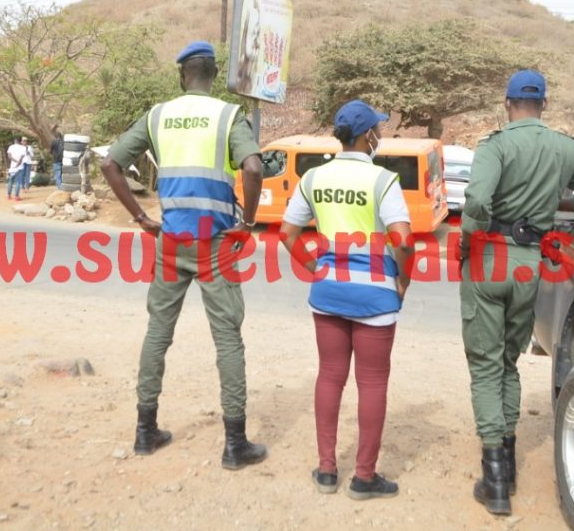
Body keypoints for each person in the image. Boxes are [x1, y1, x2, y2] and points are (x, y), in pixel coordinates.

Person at [100, 40, 268, 470]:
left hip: (172, 241)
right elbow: (252, 168)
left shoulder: (158, 115)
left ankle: (145, 432)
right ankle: (234, 444)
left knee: (158, 331)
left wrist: (140, 217)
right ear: (213, 75)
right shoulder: (229, 115)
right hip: (216, 242)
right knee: (227, 337)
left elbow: (110, 164)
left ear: (182, 75)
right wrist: (247, 223)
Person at [460, 69, 574, 516]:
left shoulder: (495, 145)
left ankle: (494, 479)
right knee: (509, 361)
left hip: (488, 258)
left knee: (486, 364)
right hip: (531, 264)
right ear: (543, 105)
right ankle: (507, 460)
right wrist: (562, 209)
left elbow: (476, 202)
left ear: (507, 105)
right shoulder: (565, 148)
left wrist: (468, 243)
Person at [280, 100, 414, 500]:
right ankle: (364, 477)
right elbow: (403, 241)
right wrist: (403, 282)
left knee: (330, 375)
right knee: (371, 382)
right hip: (375, 295)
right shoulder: (383, 181)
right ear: (367, 135)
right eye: (379, 129)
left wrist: (315, 268)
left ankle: (326, 470)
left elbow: (287, 232)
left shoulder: (314, 177)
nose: (382, 135)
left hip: (328, 291)